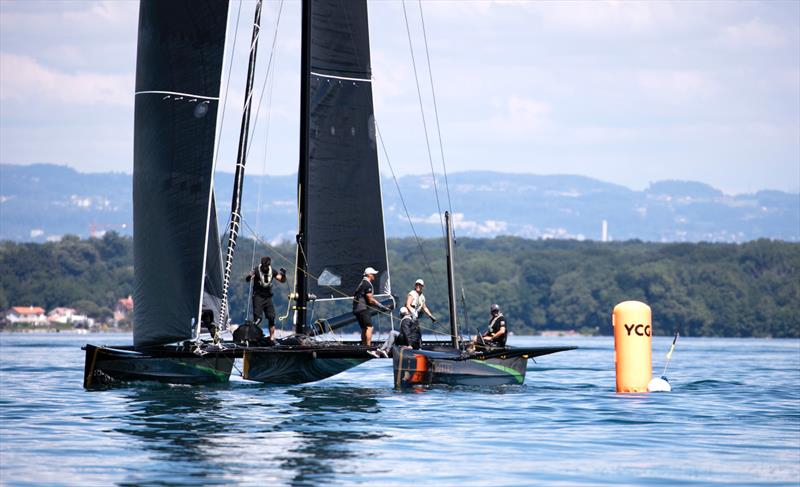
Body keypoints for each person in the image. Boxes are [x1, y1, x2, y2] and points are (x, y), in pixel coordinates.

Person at [245, 256, 286, 342]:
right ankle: (251, 336)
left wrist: (283, 274)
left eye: (266, 266)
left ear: (269, 265)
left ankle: (272, 338)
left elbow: (281, 280)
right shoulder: (256, 270)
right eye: (264, 266)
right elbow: (247, 279)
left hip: (268, 298)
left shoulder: (272, 271)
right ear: (262, 264)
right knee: (258, 319)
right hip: (258, 297)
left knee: (272, 317)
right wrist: (250, 275)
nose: (265, 268)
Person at [353, 266, 390, 346]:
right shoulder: (367, 284)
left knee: (364, 328)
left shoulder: (362, 283)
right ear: (369, 274)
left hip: (356, 309)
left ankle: (363, 346)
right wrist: (380, 305)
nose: (374, 275)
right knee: (369, 327)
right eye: (373, 274)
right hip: (362, 309)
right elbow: (370, 299)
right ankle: (368, 346)